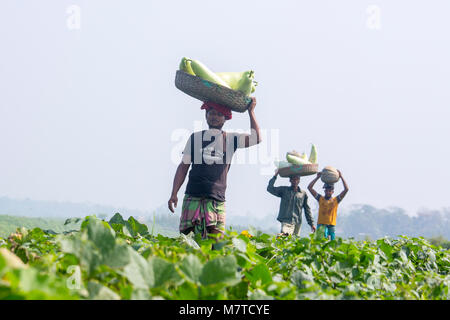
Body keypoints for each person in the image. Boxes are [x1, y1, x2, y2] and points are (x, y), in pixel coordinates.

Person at [168, 97, 261, 240]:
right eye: (211, 113)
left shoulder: (231, 139)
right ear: (206, 115)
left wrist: (251, 111)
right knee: (187, 241)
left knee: (216, 244)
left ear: (225, 119)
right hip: (193, 195)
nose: (214, 117)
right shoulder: (195, 138)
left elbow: (256, 138)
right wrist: (174, 193)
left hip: (216, 198)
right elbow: (183, 167)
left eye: (219, 114)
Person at [267, 169, 316, 236]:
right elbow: (270, 188)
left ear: (299, 180)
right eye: (293, 179)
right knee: (284, 236)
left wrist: (311, 224)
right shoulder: (284, 190)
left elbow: (307, 210)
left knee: (294, 243)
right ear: (290, 180)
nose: (295, 181)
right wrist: (275, 175)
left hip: (297, 222)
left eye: (296, 179)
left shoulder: (303, 194)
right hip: (286, 221)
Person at [307, 170, 349, 240]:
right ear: (324, 191)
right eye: (326, 190)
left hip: (331, 225)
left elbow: (346, 189)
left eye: (329, 191)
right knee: (320, 241)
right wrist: (317, 177)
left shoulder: (336, 200)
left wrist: (341, 177)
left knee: (332, 243)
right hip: (321, 224)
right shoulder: (320, 198)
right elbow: (309, 187)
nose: (328, 192)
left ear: (332, 192)